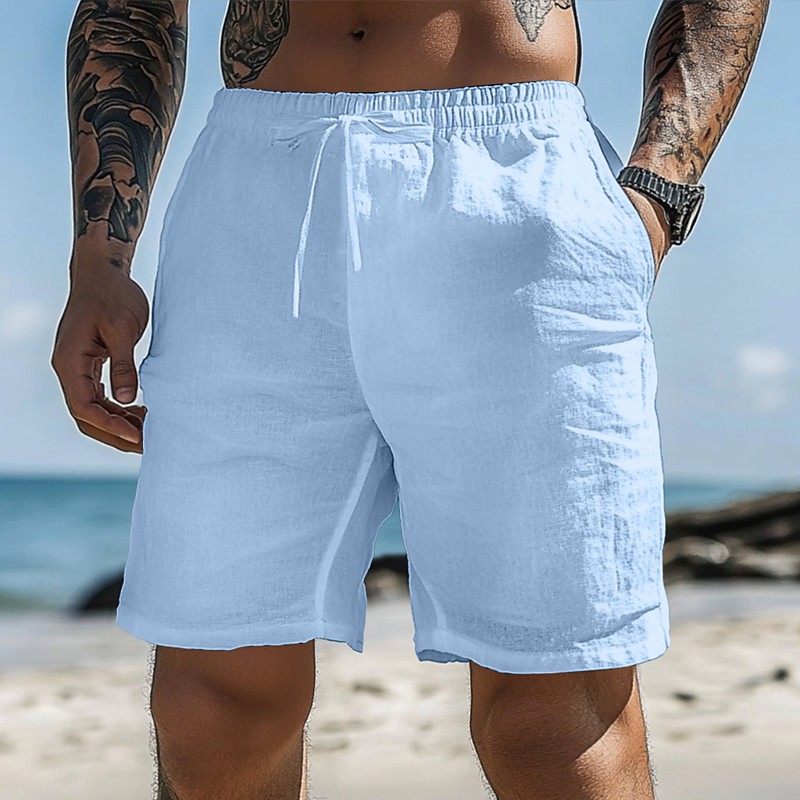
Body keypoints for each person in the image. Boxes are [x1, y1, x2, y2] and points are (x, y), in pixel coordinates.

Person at [52, 2, 769, 798]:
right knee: (211, 709)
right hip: (255, 195)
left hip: (514, 182)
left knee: (554, 717)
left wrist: (659, 189)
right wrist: (98, 258)